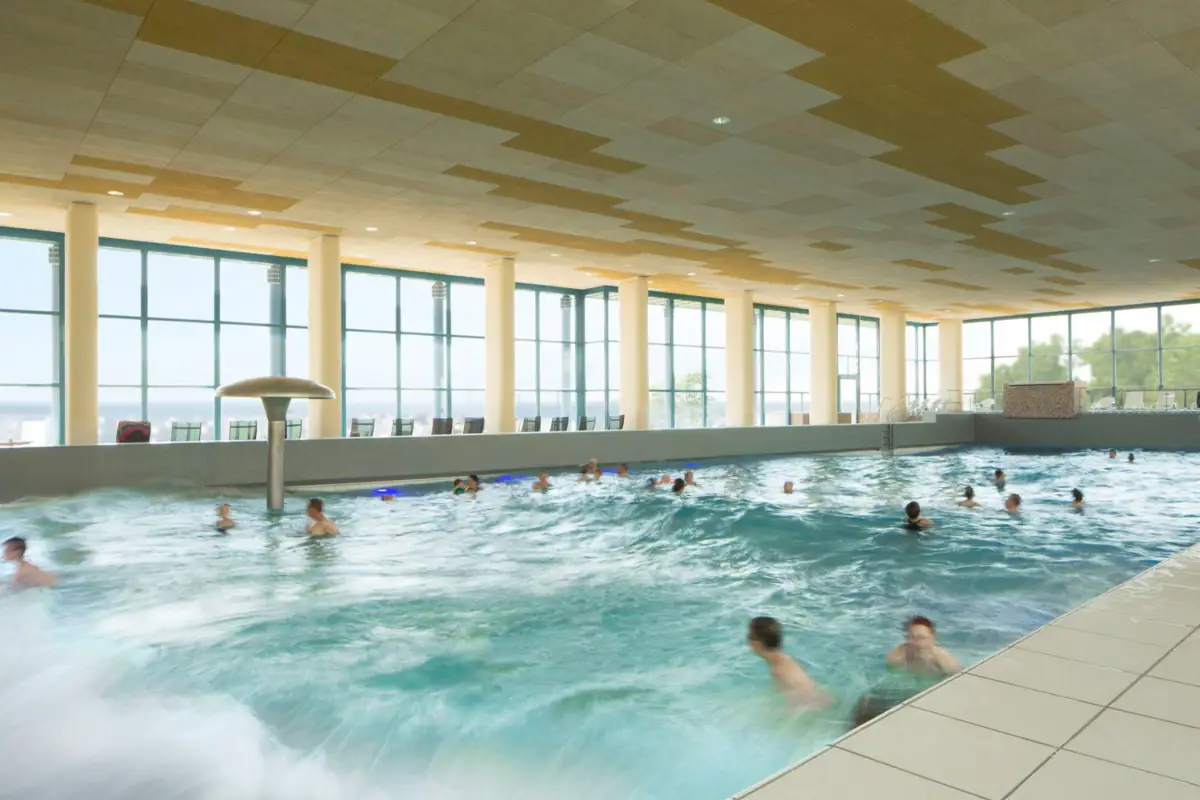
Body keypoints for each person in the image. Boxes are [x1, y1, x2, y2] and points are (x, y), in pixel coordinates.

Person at [747, 616, 832, 710]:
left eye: (749, 636)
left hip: (817, 708)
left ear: (756, 644)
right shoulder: (781, 661)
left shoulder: (779, 671)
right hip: (822, 700)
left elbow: (802, 705)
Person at [886, 616, 962, 677]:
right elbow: (891, 671)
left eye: (922, 638)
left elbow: (960, 678)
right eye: (913, 638)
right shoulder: (903, 652)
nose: (918, 643)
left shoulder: (941, 657)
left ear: (933, 638)